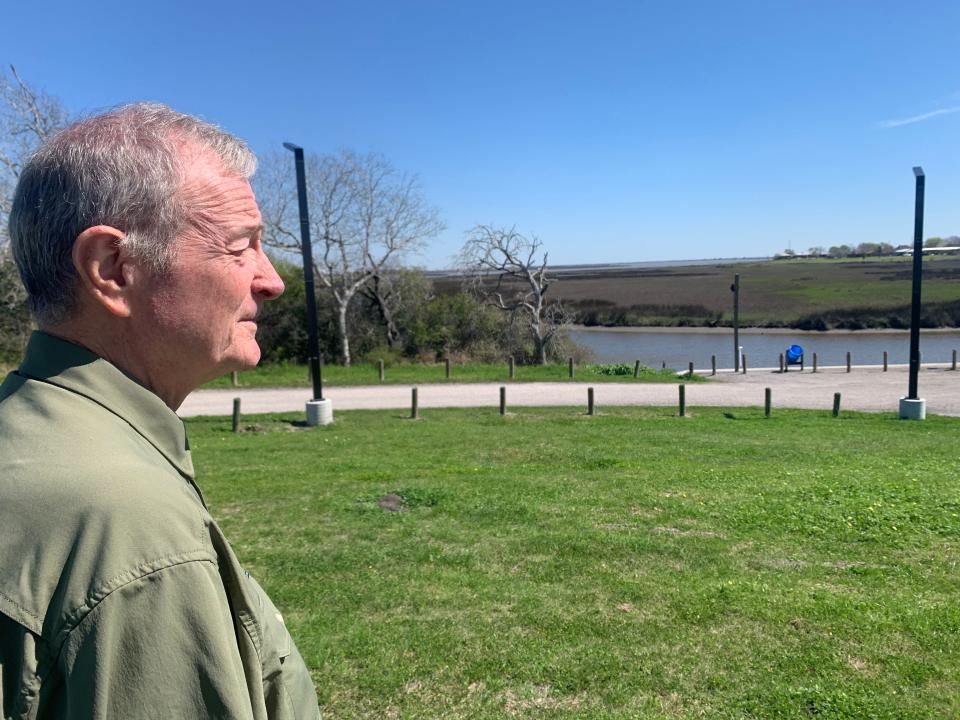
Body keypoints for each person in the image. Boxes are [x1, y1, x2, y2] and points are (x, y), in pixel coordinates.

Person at [0, 104, 321, 719]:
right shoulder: (124, 523)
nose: (272, 279)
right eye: (241, 246)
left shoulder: (24, 433)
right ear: (113, 269)